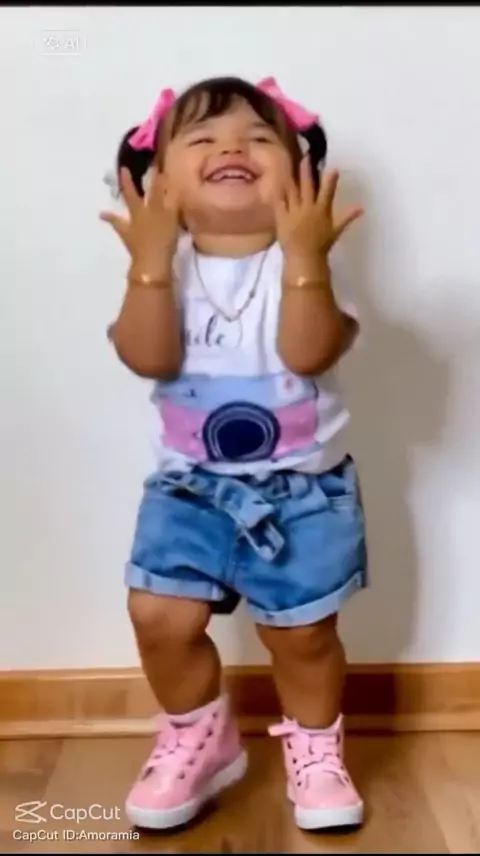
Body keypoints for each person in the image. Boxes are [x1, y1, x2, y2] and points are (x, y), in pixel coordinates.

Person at [101, 75, 368, 833]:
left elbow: (308, 353)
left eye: (258, 138)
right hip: (187, 490)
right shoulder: (166, 267)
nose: (232, 148)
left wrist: (305, 257)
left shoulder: (309, 263)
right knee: (158, 615)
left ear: (300, 175)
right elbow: (149, 358)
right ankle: (199, 736)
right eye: (203, 139)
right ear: (157, 183)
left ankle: (316, 750)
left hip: (302, 493)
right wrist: (149, 263)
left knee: (302, 634)